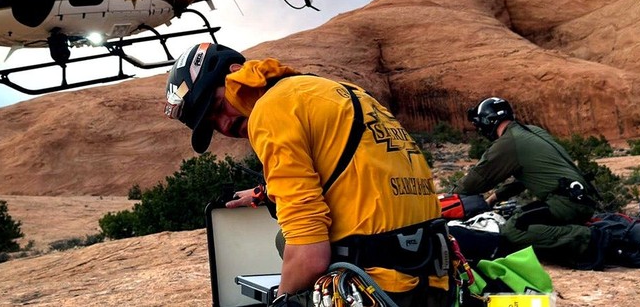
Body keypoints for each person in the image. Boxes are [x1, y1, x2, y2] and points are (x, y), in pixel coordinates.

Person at [164, 43, 451, 307]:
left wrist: (281, 302)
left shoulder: (270, 109)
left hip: (374, 289)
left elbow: (309, 257)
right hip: (436, 280)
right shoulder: (334, 90)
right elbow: (356, 170)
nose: (225, 125)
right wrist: (263, 193)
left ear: (235, 73)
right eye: (214, 126)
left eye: (217, 107)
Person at [453, 97, 605, 269]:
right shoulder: (532, 131)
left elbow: (475, 181)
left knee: (514, 229)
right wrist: (495, 197)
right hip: (581, 199)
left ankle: (587, 239)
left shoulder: (508, 142)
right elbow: (527, 178)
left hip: (566, 203)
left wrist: (449, 199)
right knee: (526, 217)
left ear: (489, 122)